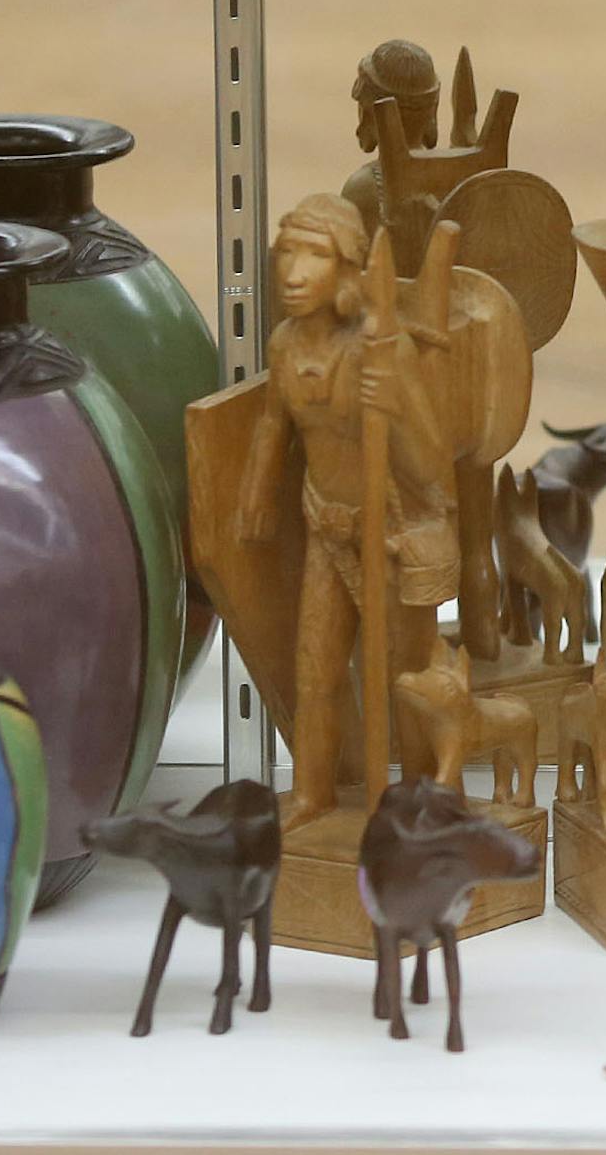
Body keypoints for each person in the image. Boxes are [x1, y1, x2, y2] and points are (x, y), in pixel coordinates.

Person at [234, 193, 455, 831]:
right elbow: (273, 424)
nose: (294, 272)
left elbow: (430, 466)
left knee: (407, 680)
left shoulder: (382, 350)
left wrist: (393, 406)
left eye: (315, 255)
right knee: (316, 670)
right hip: (325, 527)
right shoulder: (283, 345)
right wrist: (256, 490)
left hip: (389, 534)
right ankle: (313, 792)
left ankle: (419, 795)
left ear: (350, 270)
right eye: (288, 253)